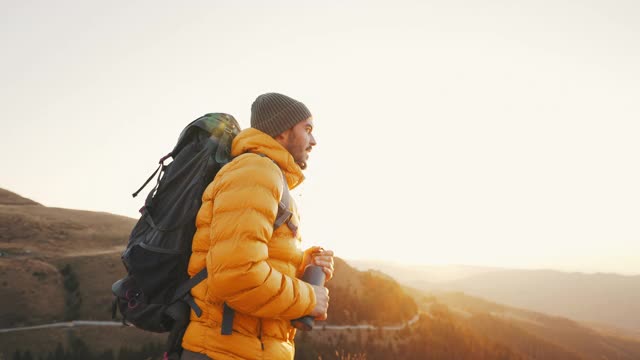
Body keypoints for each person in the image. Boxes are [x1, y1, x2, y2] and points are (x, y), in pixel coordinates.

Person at [180, 93, 335, 360]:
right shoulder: (255, 172)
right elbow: (237, 277)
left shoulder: (266, 174)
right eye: (307, 129)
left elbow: (251, 260)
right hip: (224, 352)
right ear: (282, 132)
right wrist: (310, 297)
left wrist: (303, 265)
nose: (314, 141)